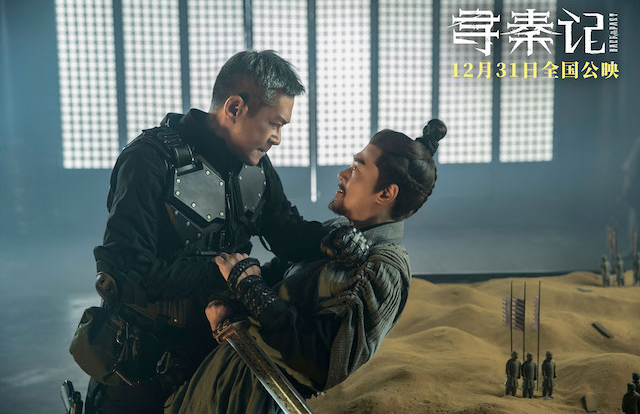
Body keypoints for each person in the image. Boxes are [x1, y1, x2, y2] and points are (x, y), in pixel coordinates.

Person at [83, 50, 367, 413]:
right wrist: (225, 274)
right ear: (234, 108)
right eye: (274, 124)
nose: (278, 138)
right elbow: (125, 274)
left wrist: (330, 238)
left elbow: (286, 232)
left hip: (214, 349)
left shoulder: (256, 167)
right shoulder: (149, 160)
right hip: (138, 362)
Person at [163, 120, 448, 413]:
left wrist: (250, 290)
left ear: (386, 193)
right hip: (225, 379)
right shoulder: (337, 232)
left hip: (261, 399)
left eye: (357, 168)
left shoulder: (383, 271)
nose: (342, 175)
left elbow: (321, 363)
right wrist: (233, 295)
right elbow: (272, 275)